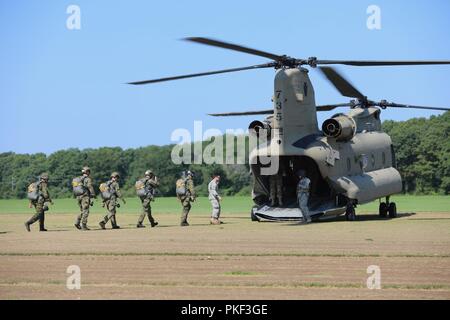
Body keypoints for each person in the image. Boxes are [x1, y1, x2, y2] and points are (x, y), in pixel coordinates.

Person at [74, 166, 95, 231]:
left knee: (82, 210)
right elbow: (89, 186)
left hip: (78, 197)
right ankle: (83, 225)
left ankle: (77, 222)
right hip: (85, 196)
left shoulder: (78, 178)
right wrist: (93, 194)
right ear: (88, 172)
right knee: (86, 211)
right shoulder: (88, 179)